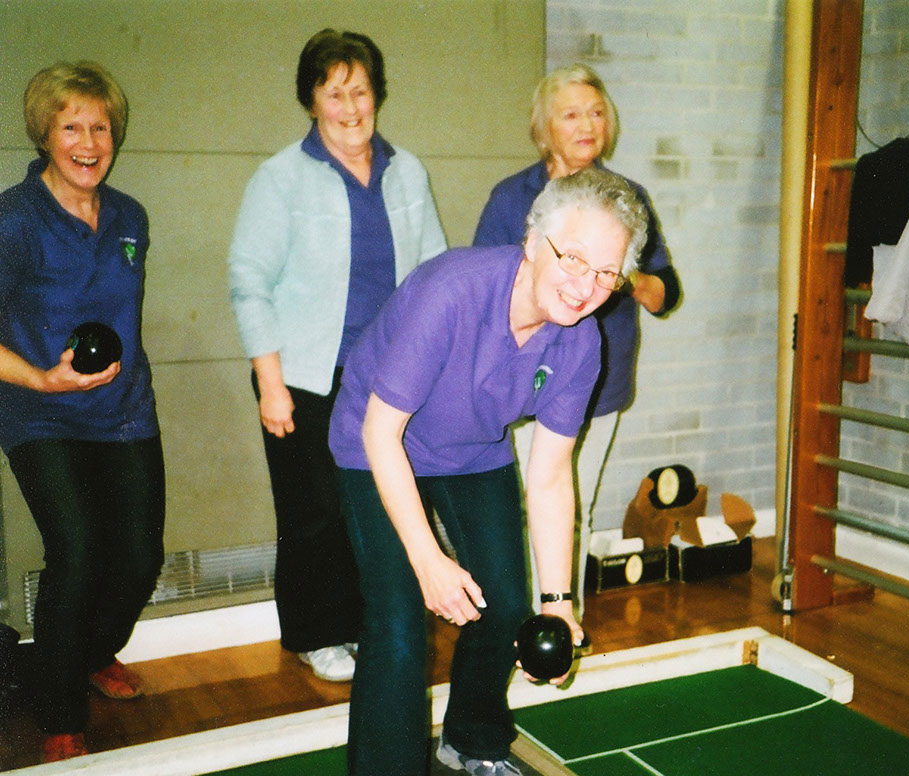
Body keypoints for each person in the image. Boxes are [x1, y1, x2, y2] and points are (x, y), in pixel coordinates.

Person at [329, 167, 647, 775]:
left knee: (505, 607)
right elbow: (380, 432)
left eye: (607, 273)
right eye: (574, 259)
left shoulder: (581, 343)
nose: (586, 288)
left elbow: (551, 475)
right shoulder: (452, 291)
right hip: (376, 443)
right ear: (532, 241)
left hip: (472, 449)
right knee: (398, 617)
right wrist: (429, 562)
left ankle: (472, 739)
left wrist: (557, 602)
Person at [228, 29, 447, 682]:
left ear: (377, 94)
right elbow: (249, 279)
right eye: (334, 93)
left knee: (382, 505)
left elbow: (433, 270)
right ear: (312, 101)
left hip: (388, 375)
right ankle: (314, 634)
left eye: (361, 91)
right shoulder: (282, 178)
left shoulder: (406, 171)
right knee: (314, 513)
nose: (350, 107)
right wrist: (271, 384)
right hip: (303, 377)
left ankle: (367, 623)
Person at [0, 61, 165, 763]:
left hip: (124, 411)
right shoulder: (13, 218)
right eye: (73, 126)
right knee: (77, 551)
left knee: (137, 557)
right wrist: (40, 377)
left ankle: (87, 653)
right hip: (40, 414)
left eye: (101, 126)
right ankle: (59, 705)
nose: (89, 141)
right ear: (45, 133)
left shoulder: (129, 215)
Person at [473, 64, 680, 617]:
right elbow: (486, 294)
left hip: (595, 383)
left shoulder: (627, 198)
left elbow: (665, 293)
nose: (588, 123)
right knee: (517, 506)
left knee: (570, 503)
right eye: (571, 113)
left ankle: (561, 625)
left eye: (596, 111)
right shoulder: (509, 198)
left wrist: (626, 276)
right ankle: (508, 623)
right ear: (544, 128)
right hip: (517, 384)